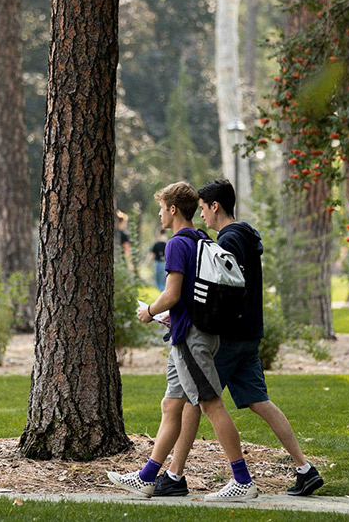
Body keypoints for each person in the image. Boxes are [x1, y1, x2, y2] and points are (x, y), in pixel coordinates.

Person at [152, 179, 324, 499]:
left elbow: (221, 290)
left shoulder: (229, 241)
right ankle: (305, 469)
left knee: (199, 399)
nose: (201, 215)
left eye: (203, 208)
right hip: (249, 334)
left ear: (214, 206)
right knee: (260, 402)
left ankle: (176, 475)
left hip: (229, 336)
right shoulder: (245, 234)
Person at [107, 182, 258, 502]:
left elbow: (172, 294)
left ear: (173, 209)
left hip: (191, 339)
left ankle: (242, 479)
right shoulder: (201, 239)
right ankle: (148, 477)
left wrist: (149, 311)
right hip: (195, 334)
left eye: (162, 209)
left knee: (211, 403)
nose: (160, 214)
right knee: (171, 404)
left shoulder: (177, 243)